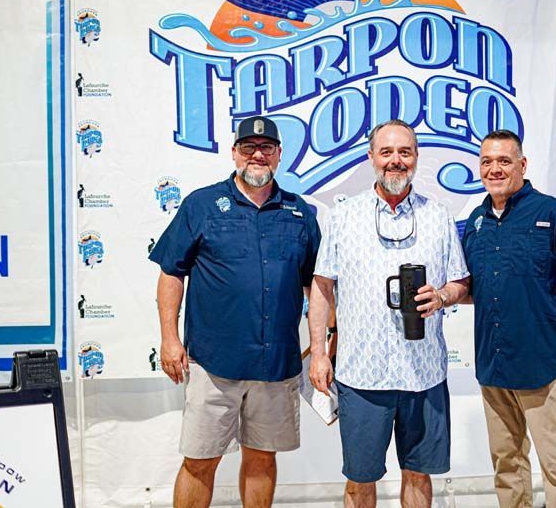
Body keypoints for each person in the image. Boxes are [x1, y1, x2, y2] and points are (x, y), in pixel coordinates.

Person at [149, 115, 321, 508]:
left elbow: (317, 284)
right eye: (249, 147)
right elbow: (171, 272)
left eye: (266, 148)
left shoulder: (299, 212)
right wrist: (170, 338)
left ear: (279, 154)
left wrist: (322, 346)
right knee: (199, 461)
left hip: (276, 364)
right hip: (214, 363)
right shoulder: (202, 204)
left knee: (262, 459)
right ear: (234, 153)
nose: (257, 155)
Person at [308, 120, 470, 508]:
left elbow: (461, 282)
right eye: (386, 152)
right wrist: (318, 353)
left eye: (405, 152)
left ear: (416, 158)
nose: (395, 160)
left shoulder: (438, 215)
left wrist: (442, 296)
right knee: (359, 479)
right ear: (371, 158)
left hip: (424, 373)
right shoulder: (343, 216)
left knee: (418, 474)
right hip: (361, 374)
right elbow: (322, 286)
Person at [461, 130, 556, 508]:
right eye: (487, 162)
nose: (494, 169)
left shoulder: (552, 213)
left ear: (522, 165)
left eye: (504, 161)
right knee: (507, 466)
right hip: (494, 367)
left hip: (545, 367)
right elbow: (472, 287)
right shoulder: (475, 221)